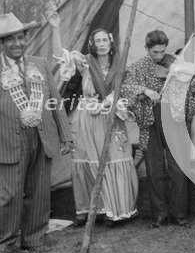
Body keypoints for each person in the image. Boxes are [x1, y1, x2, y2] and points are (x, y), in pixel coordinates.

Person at [0, 13, 72, 253]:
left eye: (20, 38)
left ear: (26, 39)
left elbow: (54, 101)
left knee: (40, 192)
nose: (16, 44)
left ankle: (34, 239)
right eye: (10, 40)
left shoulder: (40, 64)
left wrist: (65, 135)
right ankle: (3, 243)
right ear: (2, 43)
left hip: (42, 138)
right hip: (8, 140)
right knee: (9, 195)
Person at [48, 11, 138, 225]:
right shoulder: (86, 62)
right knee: (88, 160)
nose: (101, 44)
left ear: (111, 42)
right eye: (97, 41)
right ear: (93, 44)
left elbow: (123, 90)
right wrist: (55, 28)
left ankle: (117, 209)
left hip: (110, 117)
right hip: (87, 116)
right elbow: (61, 55)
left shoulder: (120, 63)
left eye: (104, 39)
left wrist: (108, 102)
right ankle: (92, 209)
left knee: (113, 160)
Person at [122, 30, 195, 228]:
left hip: (174, 118)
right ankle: (160, 214)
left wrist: (187, 76)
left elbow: (192, 86)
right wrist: (145, 90)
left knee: (178, 166)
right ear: (147, 48)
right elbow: (126, 88)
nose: (159, 56)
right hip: (151, 119)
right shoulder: (138, 67)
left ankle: (179, 213)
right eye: (155, 52)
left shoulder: (175, 63)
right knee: (154, 167)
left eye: (162, 51)